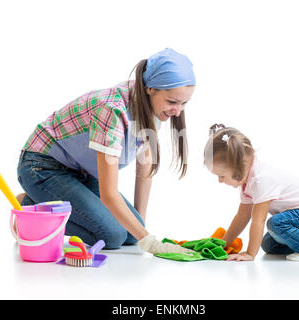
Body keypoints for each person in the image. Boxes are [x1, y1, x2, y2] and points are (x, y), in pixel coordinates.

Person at [15, 48, 195, 255]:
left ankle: (51, 204)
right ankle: (28, 207)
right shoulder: (112, 110)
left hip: (80, 173)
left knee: (129, 234)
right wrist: (151, 243)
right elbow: (109, 195)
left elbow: (144, 172)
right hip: (42, 167)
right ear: (150, 89)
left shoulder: (154, 110)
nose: (177, 111)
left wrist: (140, 231)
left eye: (184, 103)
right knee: (113, 235)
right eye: (172, 102)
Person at [203, 124, 299, 261]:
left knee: (275, 224)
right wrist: (223, 243)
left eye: (221, 176)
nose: (220, 181)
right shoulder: (247, 183)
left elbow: (259, 220)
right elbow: (242, 216)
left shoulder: (260, 180)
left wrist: (250, 253)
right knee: (268, 245)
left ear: (240, 166)